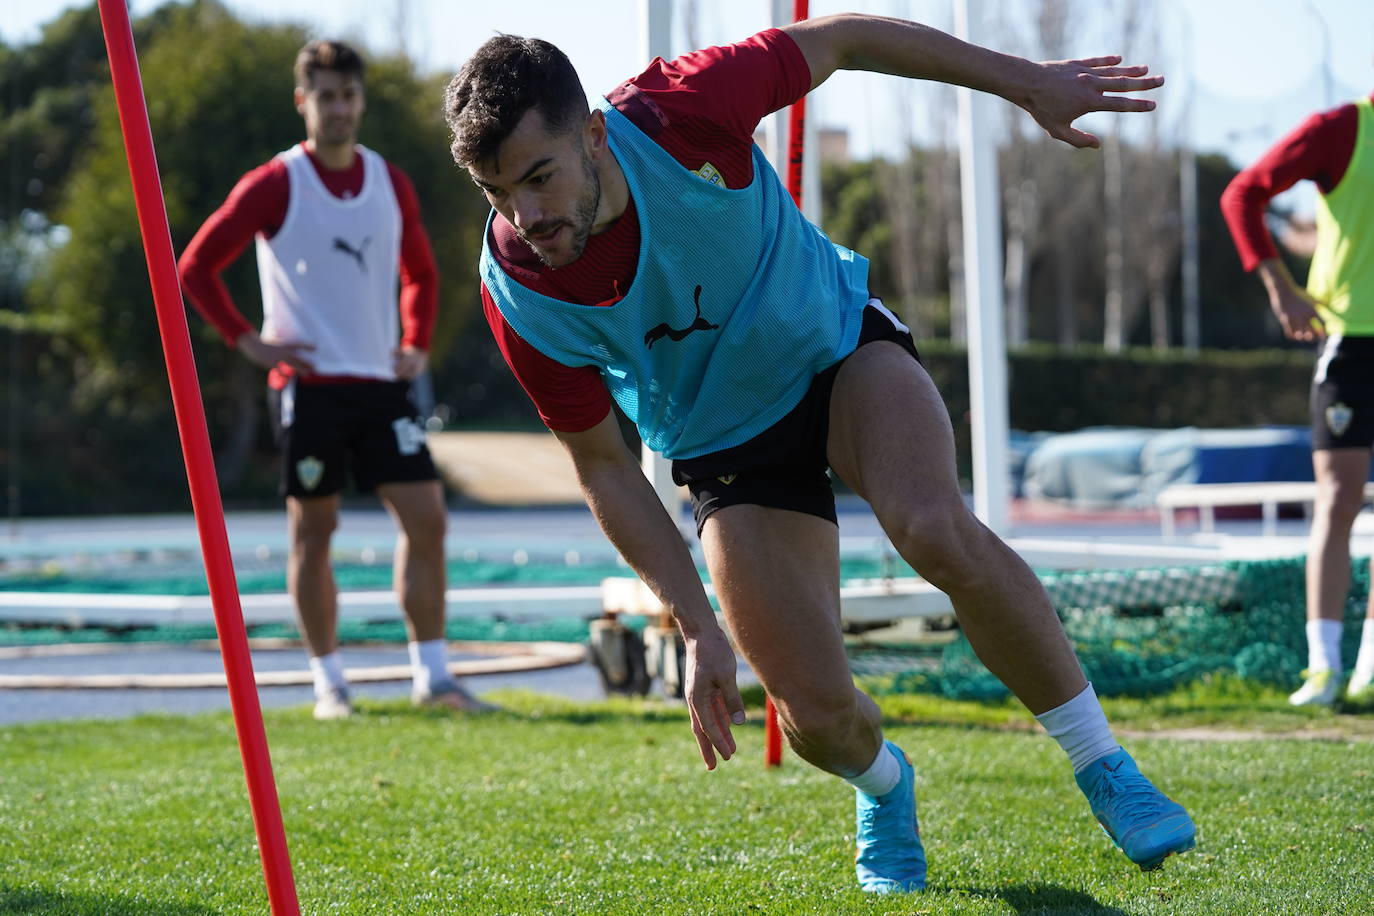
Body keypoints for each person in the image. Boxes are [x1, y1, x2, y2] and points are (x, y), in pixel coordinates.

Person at [444, 14, 1195, 893]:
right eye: (498, 192)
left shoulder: (683, 107)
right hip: (724, 445)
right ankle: (885, 785)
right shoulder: (518, 294)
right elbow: (604, 466)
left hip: (835, 350)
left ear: (595, 135)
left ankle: (1103, 765)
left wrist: (1023, 82)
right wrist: (694, 624)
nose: (527, 215)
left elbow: (842, 39)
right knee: (816, 719)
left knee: (933, 527)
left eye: (540, 177)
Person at [179, 40, 490, 720]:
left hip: (380, 384)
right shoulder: (276, 183)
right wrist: (247, 341)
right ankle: (330, 686)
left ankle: (433, 678)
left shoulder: (389, 181)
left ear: (361, 100)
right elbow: (195, 267)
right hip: (309, 388)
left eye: (348, 95)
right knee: (313, 533)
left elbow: (421, 272)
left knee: (428, 521)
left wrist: (416, 342)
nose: (339, 108)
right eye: (325, 96)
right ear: (303, 101)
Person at [1222, 90, 1374, 708]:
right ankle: (1323, 667)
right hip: (1350, 343)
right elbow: (1243, 194)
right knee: (1337, 499)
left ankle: (1370, 671)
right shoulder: (1342, 128)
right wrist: (1280, 287)